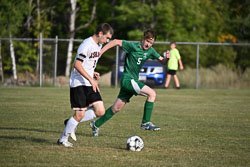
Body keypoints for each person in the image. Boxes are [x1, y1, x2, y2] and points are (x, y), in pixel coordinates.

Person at [89, 29, 170, 137]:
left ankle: (96, 124)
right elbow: (116, 41)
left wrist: (167, 59)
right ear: (143, 38)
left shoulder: (150, 51)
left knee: (116, 108)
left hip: (133, 81)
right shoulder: (133, 46)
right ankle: (145, 123)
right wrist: (100, 53)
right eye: (147, 41)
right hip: (128, 80)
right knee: (152, 94)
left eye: (151, 43)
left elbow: (162, 61)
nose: (148, 44)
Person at [57, 23, 113, 147]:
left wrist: (93, 73)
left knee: (100, 111)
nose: (107, 40)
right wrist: (91, 79)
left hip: (89, 81)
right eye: (107, 37)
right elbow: (77, 65)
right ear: (100, 34)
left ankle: (71, 122)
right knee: (80, 114)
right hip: (79, 83)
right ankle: (62, 139)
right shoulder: (86, 44)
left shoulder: (98, 45)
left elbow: (88, 64)